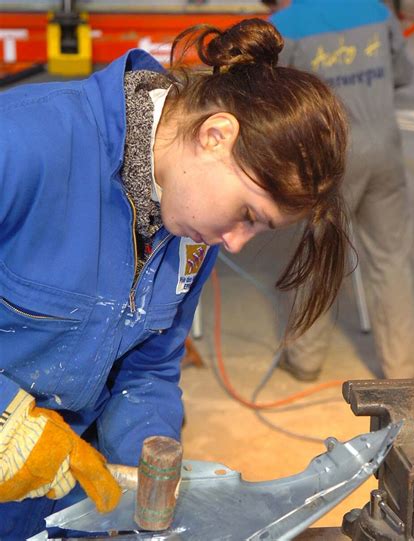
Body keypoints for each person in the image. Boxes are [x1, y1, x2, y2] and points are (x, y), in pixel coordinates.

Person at [0, 18, 350, 539]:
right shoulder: (25, 143)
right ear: (216, 135)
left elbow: (148, 371)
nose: (234, 242)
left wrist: (148, 467)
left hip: (58, 489)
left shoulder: (188, 225)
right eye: (248, 215)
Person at [269, 0, 414, 380]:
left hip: (331, 157)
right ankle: (402, 370)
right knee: (390, 257)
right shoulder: (379, 12)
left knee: (322, 253)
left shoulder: (285, 25)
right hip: (384, 149)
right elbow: (401, 74)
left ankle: (305, 358)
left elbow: (272, 103)